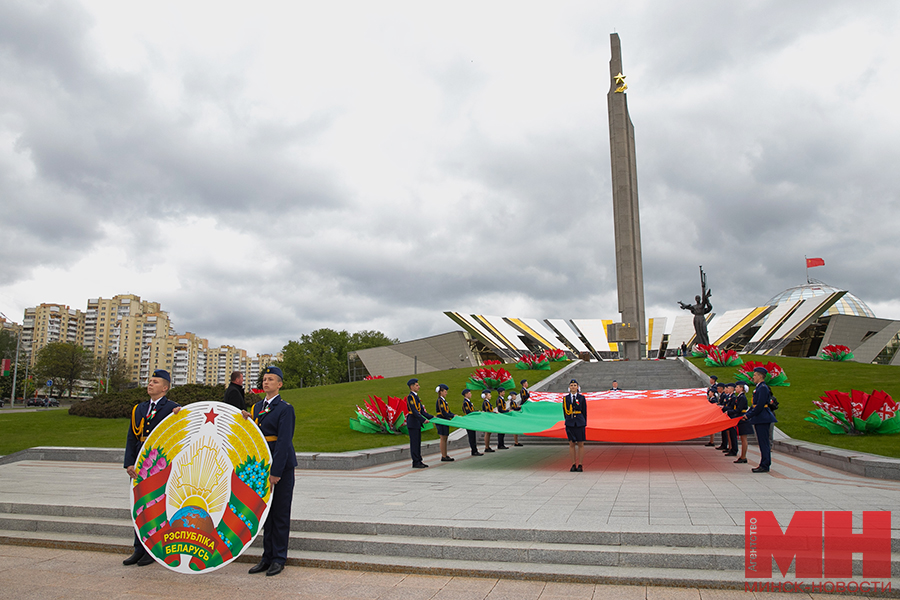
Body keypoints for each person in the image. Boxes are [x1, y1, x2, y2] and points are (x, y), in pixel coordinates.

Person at [123, 369, 180, 567]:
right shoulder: (139, 408)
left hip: (158, 462)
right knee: (138, 505)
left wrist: (179, 416)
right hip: (140, 461)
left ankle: (152, 550)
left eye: (155, 382)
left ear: (165, 388)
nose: (150, 384)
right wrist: (129, 462)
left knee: (156, 505)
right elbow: (132, 437)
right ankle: (138, 548)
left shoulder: (173, 408)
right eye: (150, 381)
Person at [244, 366, 296, 576]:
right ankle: (266, 557)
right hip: (261, 467)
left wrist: (276, 471)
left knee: (280, 513)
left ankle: (279, 558)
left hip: (280, 467)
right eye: (264, 379)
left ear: (280, 384)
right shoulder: (257, 408)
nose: (266, 382)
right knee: (266, 513)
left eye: (271, 379)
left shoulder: (285, 408)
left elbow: (284, 442)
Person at [743, 367, 777, 473]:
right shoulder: (759, 387)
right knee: (762, 442)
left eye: (755, 375)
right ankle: (763, 463)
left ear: (760, 376)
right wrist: (747, 414)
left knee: (764, 443)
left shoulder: (762, 388)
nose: (753, 377)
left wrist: (749, 416)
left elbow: (760, 405)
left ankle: (765, 464)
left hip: (763, 418)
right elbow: (754, 405)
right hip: (760, 417)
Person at [405, 378, 433, 468]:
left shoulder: (416, 397)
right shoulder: (410, 397)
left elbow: (422, 411)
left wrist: (432, 417)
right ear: (411, 387)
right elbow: (414, 411)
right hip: (413, 422)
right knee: (414, 443)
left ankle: (419, 460)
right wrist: (423, 420)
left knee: (418, 442)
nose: (419, 387)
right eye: (417, 385)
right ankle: (416, 461)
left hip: (416, 422)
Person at [563, 379, 587, 472]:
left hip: (580, 422)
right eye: (571, 385)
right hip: (570, 422)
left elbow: (584, 411)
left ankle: (580, 464)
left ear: (578, 387)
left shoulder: (581, 398)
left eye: (575, 385)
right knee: (571, 443)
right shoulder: (566, 399)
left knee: (580, 443)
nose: (573, 387)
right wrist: (568, 420)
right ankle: (573, 464)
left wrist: (584, 422)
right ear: (569, 387)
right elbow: (565, 412)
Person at [727, 383, 751, 464]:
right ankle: (742, 456)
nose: (736, 388)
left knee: (744, 439)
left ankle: (743, 456)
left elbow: (739, 409)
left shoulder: (742, 397)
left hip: (742, 418)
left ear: (741, 388)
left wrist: (728, 412)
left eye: (737, 387)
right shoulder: (739, 397)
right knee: (742, 439)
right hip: (739, 418)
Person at [434, 384, 455, 462]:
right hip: (442, 420)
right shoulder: (440, 401)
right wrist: (451, 416)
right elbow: (443, 412)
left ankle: (445, 454)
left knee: (445, 437)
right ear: (441, 392)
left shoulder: (443, 401)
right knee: (443, 438)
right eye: (445, 391)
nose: (446, 393)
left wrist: (453, 415)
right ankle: (443, 455)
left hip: (445, 420)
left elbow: (448, 411)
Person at [461, 388, 482, 456]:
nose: (471, 394)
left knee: (473, 436)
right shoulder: (465, 403)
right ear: (466, 394)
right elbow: (468, 412)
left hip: (472, 421)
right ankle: (474, 450)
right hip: (469, 421)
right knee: (471, 436)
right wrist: (476, 412)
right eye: (469, 393)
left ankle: (475, 450)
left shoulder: (468, 402)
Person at [718, 382, 738, 456]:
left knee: (732, 434)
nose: (727, 389)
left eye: (728, 388)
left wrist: (724, 408)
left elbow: (732, 407)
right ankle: (730, 448)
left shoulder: (733, 397)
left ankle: (733, 449)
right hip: (727, 416)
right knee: (729, 434)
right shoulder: (729, 397)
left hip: (731, 416)